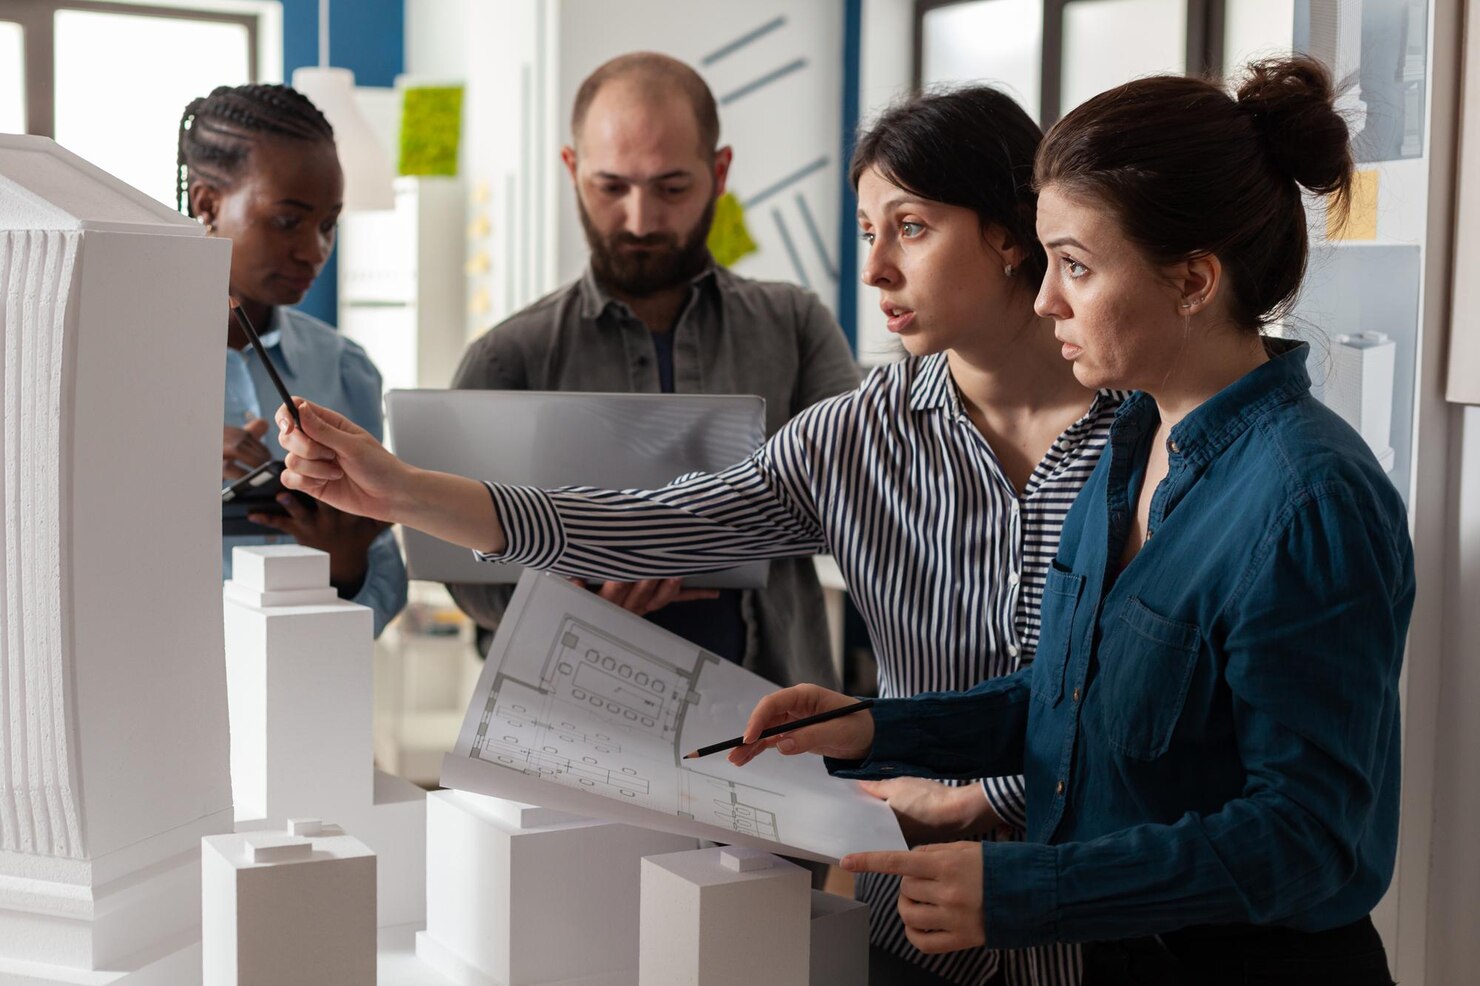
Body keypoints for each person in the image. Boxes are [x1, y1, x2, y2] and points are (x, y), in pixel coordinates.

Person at [272, 84, 1117, 985]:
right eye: (867, 230)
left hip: (1112, 921)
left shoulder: (1147, 433)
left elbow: (1178, 713)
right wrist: (402, 490)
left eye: (908, 227)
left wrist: (983, 800)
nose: (873, 270)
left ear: (1011, 232)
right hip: (908, 917)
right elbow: (649, 525)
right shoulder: (860, 432)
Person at [727, 57, 1413, 986]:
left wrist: (1023, 890)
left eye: (1077, 266)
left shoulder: (1311, 499)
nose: (1045, 297)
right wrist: (870, 727)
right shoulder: (1127, 442)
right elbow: (1067, 699)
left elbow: (1308, 840)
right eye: (1048, 260)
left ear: (1194, 280)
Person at [444, 53, 860, 689]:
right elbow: (460, 566)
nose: (640, 221)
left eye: (671, 188)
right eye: (611, 188)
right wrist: (568, 594)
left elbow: (857, 505)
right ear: (572, 169)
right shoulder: (508, 357)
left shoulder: (796, 326)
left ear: (719, 172)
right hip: (578, 721)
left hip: (782, 718)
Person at [178, 83, 406, 637]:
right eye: (288, 221)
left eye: (328, 224)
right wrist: (170, 466)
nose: (316, 250)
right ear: (206, 204)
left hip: (311, 691)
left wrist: (345, 565)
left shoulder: (345, 369)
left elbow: (387, 585)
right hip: (153, 692)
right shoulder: (114, 362)